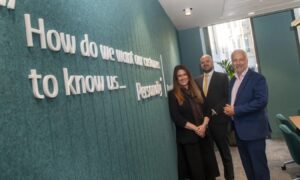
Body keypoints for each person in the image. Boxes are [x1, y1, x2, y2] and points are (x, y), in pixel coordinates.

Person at [224, 49, 271, 180]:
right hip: (239, 132)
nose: (238, 63)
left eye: (241, 59)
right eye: (235, 60)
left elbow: (261, 101)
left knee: (259, 168)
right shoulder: (233, 80)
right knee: (248, 167)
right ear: (232, 62)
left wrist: (236, 110)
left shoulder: (257, 78)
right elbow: (234, 101)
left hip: (254, 131)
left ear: (246, 60)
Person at [168, 65, 220, 180]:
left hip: (204, 135)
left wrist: (203, 126)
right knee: (197, 173)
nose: (182, 78)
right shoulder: (172, 95)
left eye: (184, 74)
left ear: (188, 75)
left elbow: (207, 109)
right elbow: (177, 118)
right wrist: (196, 129)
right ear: (176, 78)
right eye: (179, 76)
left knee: (209, 170)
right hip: (189, 139)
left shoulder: (197, 89)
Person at [195, 54, 234, 180]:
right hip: (204, 124)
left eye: (207, 61)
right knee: (208, 155)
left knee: (225, 153)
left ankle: (230, 177)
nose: (205, 63)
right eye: (202, 62)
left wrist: (214, 111)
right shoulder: (197, 80)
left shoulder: (222, 77)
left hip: (219, 121)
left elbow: (226, 97)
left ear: (212, 62)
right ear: (200, 65)